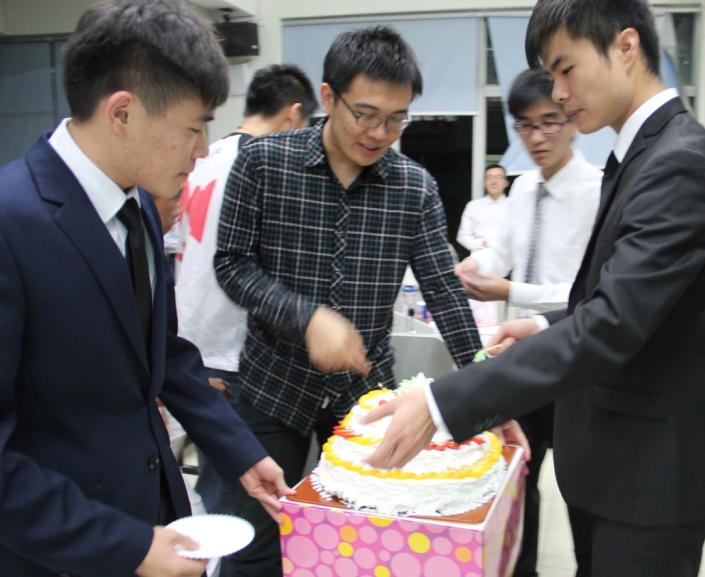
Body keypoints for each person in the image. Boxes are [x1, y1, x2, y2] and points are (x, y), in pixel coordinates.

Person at [365, 1, 705, 576]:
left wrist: (444, 403)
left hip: (654, 474)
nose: (561, 94)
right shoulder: (644, 154)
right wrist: (544, 325)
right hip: (616, 456)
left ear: (626, 47)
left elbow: (612, 324)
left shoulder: (679, 163)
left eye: (566, 69)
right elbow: (624, 300)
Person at [0, 2, 291, 576]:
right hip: (66, 548)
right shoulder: (12, 222)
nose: (202, 149)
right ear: (123, 112)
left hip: (152, 513)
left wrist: (240, 452)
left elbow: (164, 355)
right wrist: (125, 546)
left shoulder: (136, 209)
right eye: (194, 126)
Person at [214, 26, 482, 577]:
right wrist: (305, 317)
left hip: (365, 397)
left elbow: (444, 289)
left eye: (397, 119)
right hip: (272, 388)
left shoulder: (414, 188)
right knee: (260, 543)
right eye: (365, 114)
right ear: (328, 97)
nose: (380, 133)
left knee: (365, 538)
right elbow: (231, 264)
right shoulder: (263, 163)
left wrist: (485, 385)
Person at [456, 67, 602, 577]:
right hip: (524, 357)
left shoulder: (598, 191)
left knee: (583, 488)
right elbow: (503, 252)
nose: (537, 137)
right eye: (525, 125)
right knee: (518, 477)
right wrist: (477, 265)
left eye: (549, 122)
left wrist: (509, 291)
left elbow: (587, 295)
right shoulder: (521, 190)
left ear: (573, 120)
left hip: (579, 355)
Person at [175, 64, 317, 518]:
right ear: (294, 114)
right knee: (248, 504)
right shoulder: (264, 166)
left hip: (189, 350)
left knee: (215, 486)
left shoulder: (200, 158)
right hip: (239, 354)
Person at [456, 164, 510, 253]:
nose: (494, 181)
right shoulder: (473, 206)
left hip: (508, 257)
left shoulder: (514, 206)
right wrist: (480, 244)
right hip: (480, 256)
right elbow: (462, 236)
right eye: (489, 177)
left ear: (506, 182)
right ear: (484, 182)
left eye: (498, 177)